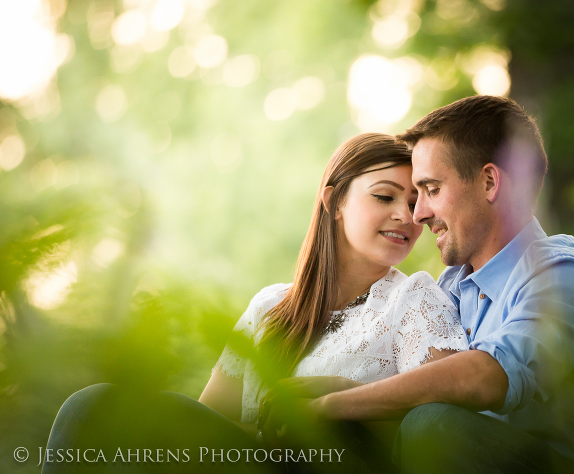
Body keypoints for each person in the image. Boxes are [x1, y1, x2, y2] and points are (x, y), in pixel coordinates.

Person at [42, 133, 468, 474]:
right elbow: (209, 424)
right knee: (93, 407)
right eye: (384, 196)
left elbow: (439, 429)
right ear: (334, 201)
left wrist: (340, 397)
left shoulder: (415, 298)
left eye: (414, 203)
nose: (406, 215)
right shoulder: (270, 307)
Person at [279, 96, 574, 474]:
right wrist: (333, 393)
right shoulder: (453, 288)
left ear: (489, 182)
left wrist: (331, 404)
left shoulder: (564, 275)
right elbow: (417, 388)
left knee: (433, 426)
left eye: (431, 190)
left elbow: (487, 377)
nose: (418, 214)